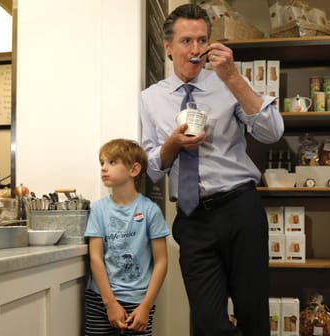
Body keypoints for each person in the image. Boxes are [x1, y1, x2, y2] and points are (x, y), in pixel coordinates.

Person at [139, 4, 284, 335]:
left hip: (240, 209)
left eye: (201, 41)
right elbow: (151, 168)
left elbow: (272, 131)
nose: (195, 51)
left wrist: (232, 76)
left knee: (253, 313)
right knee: (207, 322)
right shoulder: (151, 99)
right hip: (193, 219)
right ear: (168, 46)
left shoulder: (228, 83)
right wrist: (173, 145)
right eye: (186, 41)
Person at [83, 139, 169, 336]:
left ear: (134, 170)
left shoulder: (150, 211)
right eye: (102, 163)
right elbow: (95, 258)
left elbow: (162, 262)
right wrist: (110, 303)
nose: (104, 168)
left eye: (112, 162)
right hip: (100, 300)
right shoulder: (98, 209)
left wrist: (146, 306)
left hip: (139, 302)